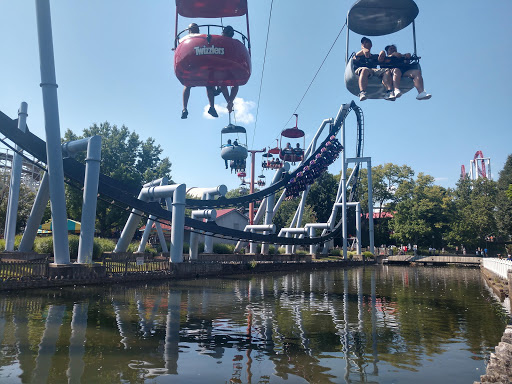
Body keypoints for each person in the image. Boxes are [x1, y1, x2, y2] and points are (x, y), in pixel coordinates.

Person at [180, 23, 219, 119]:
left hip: (194, 62)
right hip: (198, 60)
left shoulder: (187, 38)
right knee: (208, 83)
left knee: (189, 84)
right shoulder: (201, 37)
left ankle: (185, 108)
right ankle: (212, 105)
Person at [353, 37, 394, 101]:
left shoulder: (374, 56)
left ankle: (390, 92)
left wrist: (382, 53)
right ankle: (362, 92)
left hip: (373, 70)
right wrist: (364, 50)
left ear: (371, 45)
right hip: (362, 69)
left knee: (386, 71)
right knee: (364, 70)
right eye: (362, 43)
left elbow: (381, 60)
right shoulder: (359, 55)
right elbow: (355, 58)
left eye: (366, 42)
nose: (364, 44)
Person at [218, 26, 239, 113]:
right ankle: (230, 102)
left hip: (224, 65)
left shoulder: (221, 41)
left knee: (223, 84)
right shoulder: (235, 43)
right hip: (230, 66)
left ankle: (229, 102)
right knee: (234, 84)